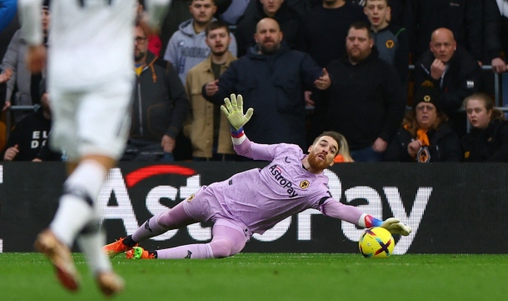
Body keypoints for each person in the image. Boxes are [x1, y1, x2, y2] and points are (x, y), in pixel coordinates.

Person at [17, 0, 171, 296]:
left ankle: (101, 267)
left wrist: (33, 43)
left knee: (81, 170)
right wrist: (150, 21)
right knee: (99, 162)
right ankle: (59, 234)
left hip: (63, 69)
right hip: (108, 69)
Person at [104, 95, 411, 259]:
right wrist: (237, 128)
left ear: (333, 160)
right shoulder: (288, 151)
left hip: (239, 224)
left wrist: (379, 223)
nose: (326, 150)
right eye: (323, 144)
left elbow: (340, 210)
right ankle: (124, 243)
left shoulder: (318, 188)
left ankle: (149, 257)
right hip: (218, 196)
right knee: (169, 220)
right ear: (311, 145)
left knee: (226, 249)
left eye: (331, 151)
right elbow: (245, 149)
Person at [205, 18, 325, 145]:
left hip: (290, 144)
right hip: (253, 146)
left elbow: (316, 76)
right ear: (256, 37)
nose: (268, 35)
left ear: (280, 35)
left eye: (272, 31)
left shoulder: (299, 60)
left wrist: (325, 81)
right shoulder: (240, 66)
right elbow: (220, 91)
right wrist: (209, 91)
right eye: (263, 32)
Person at [316, 22, 404, 161]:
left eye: (361, 40)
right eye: (352, 39)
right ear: (346, 41)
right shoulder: (333, 68)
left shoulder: (384, 70)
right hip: (336, 148)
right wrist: (323, 88)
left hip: (370, 149)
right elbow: (321, 106)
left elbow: (397, 105)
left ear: (371, 43)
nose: (355, 43)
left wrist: (385, 137)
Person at [129, 24, 189, 160]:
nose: (135, 44)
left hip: (159, 146)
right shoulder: (116, 71)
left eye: (139, 39)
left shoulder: (164, 68)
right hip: (125, 147)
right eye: (131, 39)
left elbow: (182, 101)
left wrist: (172, 133)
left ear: (147, 41)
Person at [184, 20, 238, 161]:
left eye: (222, 35)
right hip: (201, 147)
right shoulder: (194, 74)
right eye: (213, 37)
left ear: (230, 39)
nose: (218, 40)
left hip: (231, 147)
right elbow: (185, 110)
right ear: (206, 41)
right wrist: (191, 132)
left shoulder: (242, 70)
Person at [163, 0, 238, 84]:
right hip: (182, 96)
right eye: (198, 6)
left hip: (213, 94)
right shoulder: (177, 37)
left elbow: (229, 71)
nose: (202, 10)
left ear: (214, 9)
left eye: (207, 6)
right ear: (190, 9)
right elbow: (168, 71)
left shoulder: (225, 37)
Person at [411, 28, 480, 126]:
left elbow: (463, 98)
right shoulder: (423, 63)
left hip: (460, 118)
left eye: (447, 44)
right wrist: (433, 79)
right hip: (430, 120)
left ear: (454, 45)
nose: (442, 49)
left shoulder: (468, 64)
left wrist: (437, 100)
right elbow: (419, 96)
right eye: (438, 45)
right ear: (431, 47)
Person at [384, 85, 462, 162]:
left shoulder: (446, 134)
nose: (425, 111)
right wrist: (407, 152)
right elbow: (389, 163)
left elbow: (454, 162)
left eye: (429, 108)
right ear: (415, 112)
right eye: (421, 107)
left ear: (436, 113)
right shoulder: (402, 133)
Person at [364, 0, 409, 83]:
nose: (375, 12)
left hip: (390, 87)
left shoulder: (398, 33)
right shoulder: (361, 33)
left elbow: (401, 70)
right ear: (365, 11)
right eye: (371, 7)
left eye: (380, 8)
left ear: (387, 11)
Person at [462, 93, 508, 162]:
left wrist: (485, 168)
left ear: (489, 112)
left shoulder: (503, 129)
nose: (472, 115)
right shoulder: (468, 139)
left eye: (477, 111)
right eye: (469, 111)